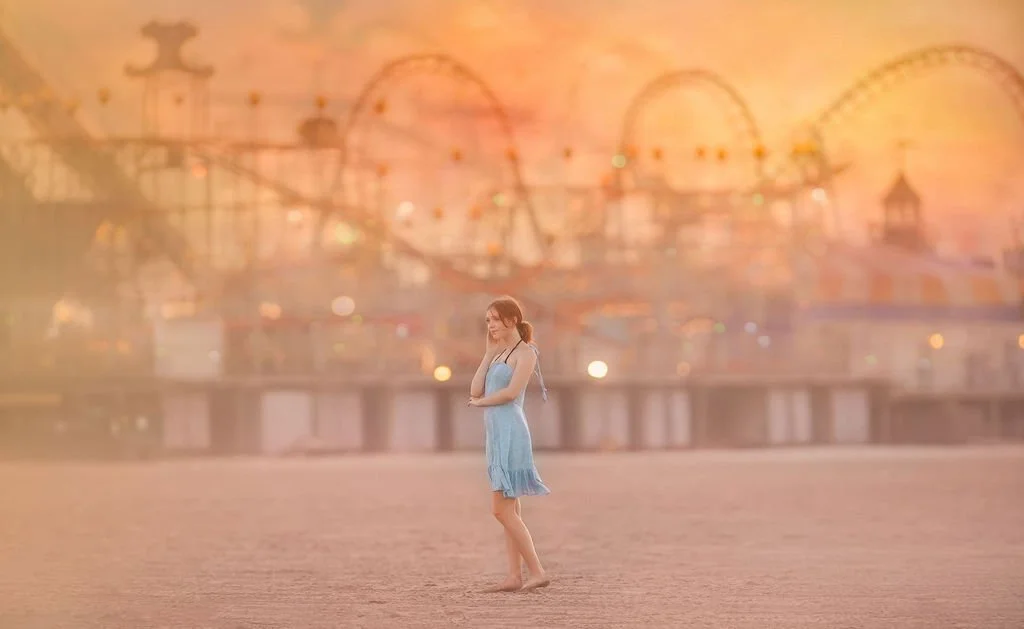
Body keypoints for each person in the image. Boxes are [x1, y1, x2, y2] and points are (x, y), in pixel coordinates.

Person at [468, 296, 551, 593]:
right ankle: (514, 576)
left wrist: (481, 404)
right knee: (510, 510)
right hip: (496, 432)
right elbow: (475, 388)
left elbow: (511, 393)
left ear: (511, 320)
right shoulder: (499, 353)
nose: (489, 325)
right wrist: (487, 355)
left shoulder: (526, 353)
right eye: (487, 320)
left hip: (512, 430)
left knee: (501, 510)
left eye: (494, 319)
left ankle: (537, 571)